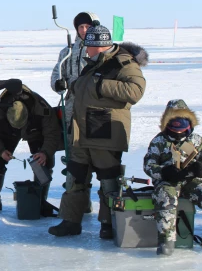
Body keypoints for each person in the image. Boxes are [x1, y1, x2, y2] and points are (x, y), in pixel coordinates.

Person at [48, 21, 148, 238]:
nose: (86, 49)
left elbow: (135, 91)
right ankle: (71, 221)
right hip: (81, 129)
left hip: (105, 129)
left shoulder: (123, 63)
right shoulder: (94, 62)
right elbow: (87, 84)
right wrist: (72, 85)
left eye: (88, 45)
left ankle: (109, 223)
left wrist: (100, 85)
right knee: (76, 176)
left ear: (100, 45)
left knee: (108, 180)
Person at [143, 101, 202, 256]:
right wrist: (164, 172)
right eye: (174, 124)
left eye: (183, 123)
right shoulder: (159, 141)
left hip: (191, 179)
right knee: (166, 197)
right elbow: (149, 164)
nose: (179, 129)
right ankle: (166, 240)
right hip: (168, 180)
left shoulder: (197, 140)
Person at [0, 83, 63, 214]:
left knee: (43, 161)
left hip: (34, 131)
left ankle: (39, 201)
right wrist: (0, 150)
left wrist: (44, 153)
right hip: (8, 132)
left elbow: (53, 134)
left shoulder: (41, 109)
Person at [51, 11, 99, 213]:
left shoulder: (100, 50)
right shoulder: (67, 52)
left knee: (96, 155)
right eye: (80, 27)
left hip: (94, 111)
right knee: (74, 157)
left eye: (88, 26)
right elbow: (56, 74)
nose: (84, 30)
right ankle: (78, 203)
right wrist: (58, 84)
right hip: (71, 110)